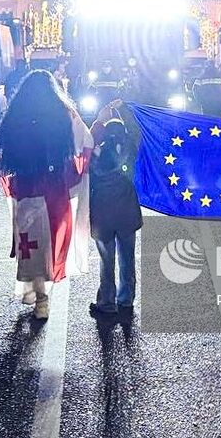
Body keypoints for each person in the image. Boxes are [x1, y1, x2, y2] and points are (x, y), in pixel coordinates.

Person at [0, 70, 93, 320]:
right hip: (54, 191)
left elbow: (6, 158)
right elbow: (85, 140)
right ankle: (42, 296)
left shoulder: (16, 119)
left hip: (26, 189)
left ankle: (38, 293)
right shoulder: (63, 115)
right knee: (48, 243)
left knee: (30, 244)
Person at [87, 102, 142, 317]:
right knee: (127, 258)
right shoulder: (129, 148)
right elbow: (135, 130)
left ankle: (106, 302)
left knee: (106, 260)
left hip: (102, 215)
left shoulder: (96, 152)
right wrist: (124, 110)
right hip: (127, 213)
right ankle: (126, 299)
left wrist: (100, 120)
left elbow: (85, 142)